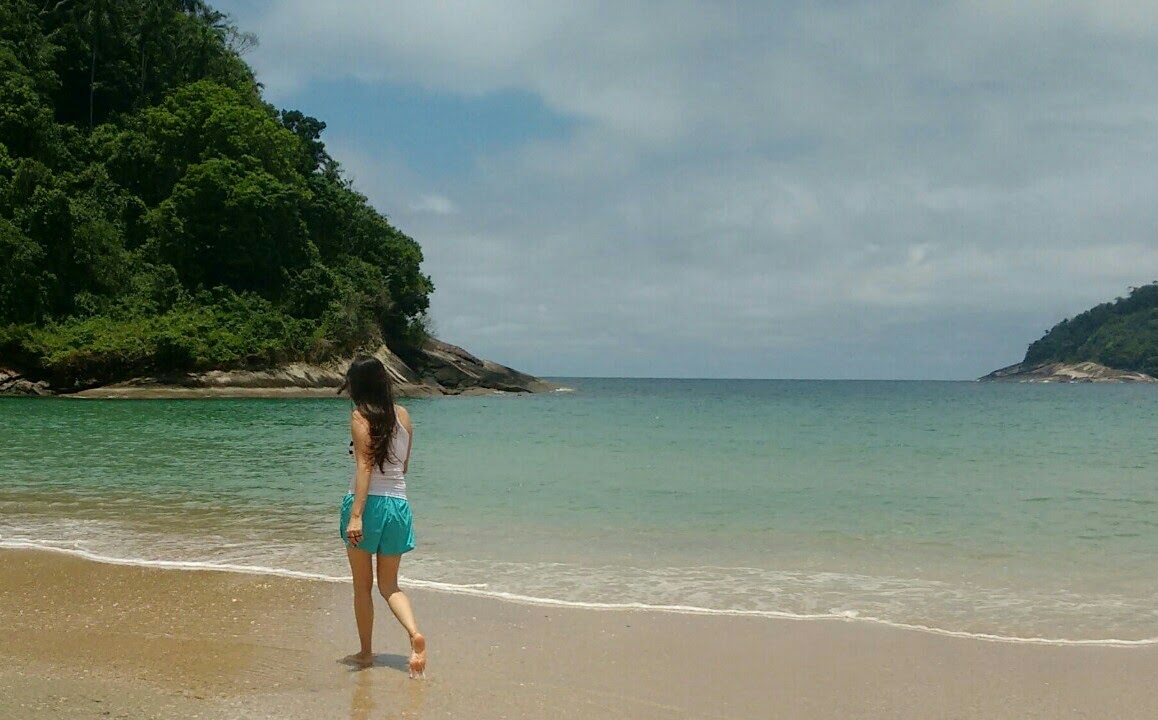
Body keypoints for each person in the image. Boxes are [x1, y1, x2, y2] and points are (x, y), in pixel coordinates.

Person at [338, 355, 426, 678]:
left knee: (363, 586)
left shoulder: (359, 417)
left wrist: (357, 515)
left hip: (369, 505)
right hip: (399, 506)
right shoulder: (404, 416)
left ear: (357, 385)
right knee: (390, 585)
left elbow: (364, 466)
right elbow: (402, 467)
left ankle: (365, 652)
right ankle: (414, 633)